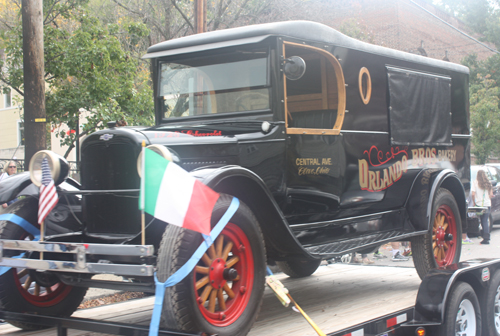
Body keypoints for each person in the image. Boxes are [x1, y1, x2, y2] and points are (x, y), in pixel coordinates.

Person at [472, 169, 493, 244]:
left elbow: (473, 194)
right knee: (485, 220)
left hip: (479, 205)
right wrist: (487, 199)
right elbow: (491, 195)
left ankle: (485, 238)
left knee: (481, 220)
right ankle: (486, 237)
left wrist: (474, 202)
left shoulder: (475, 183)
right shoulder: (489, 183)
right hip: (487, 204)